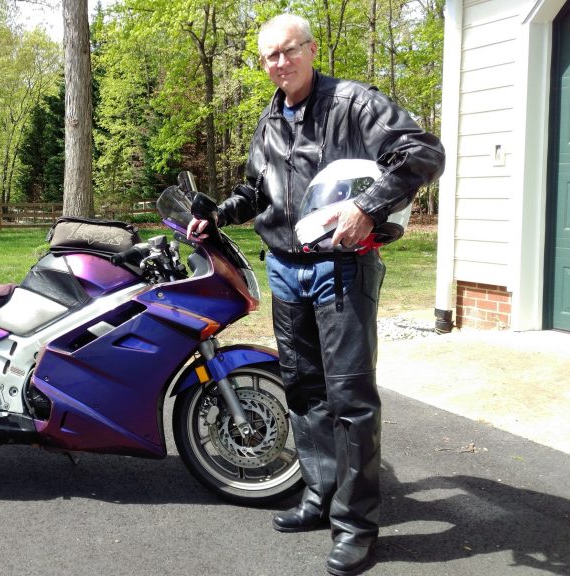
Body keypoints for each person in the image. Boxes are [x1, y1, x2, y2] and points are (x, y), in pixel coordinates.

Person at [187, 13, 444, 576]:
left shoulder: (354, 104)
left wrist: (366, 205)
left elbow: (424, 152)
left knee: (351, 401)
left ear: (310, 48)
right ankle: (319, 495)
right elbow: (257, 192)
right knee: (304, 390)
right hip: (284, 268)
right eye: (269, 56)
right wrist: (216, 217)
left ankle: (356, 526)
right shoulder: (270, 119)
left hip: (342, 269)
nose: (280, 63)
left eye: (288, 51)